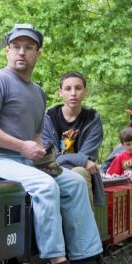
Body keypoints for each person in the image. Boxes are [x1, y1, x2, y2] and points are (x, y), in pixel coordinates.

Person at [0, 23, 116, 264]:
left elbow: (34, 136)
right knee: (45, 186)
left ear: (38, 53)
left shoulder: (38, 92)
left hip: (19, 161)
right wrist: (23, 147)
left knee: (74, 183)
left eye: (28, 47)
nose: (22, 52)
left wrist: (45, 159)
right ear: (8, 51)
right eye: (16, 47)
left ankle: (86, 259)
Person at [41, 72, 106, 207]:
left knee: (79, 172)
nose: (73, 93)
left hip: (82, 172)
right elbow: (51, 157)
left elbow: (89, 155)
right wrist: (82, 160)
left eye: (78, 88)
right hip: (52, 170)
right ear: (60, 92)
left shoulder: (92, 119)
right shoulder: (48, 117)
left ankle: (84, 226)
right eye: (68, 88)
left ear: (85, 91)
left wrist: (83, 161)